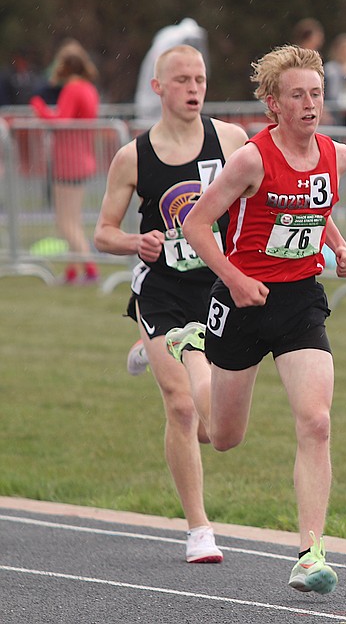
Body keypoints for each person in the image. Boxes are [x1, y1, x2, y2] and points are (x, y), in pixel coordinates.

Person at [177, 44, 346, 595]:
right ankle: (191, 352)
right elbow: (197, 225)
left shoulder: (338, 155)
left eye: (316, 94)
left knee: (317, 421)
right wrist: (233, 278)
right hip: (240, 300)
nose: (309, 104)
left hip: (300, 299)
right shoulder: (252, 159)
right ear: (273, 104)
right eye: (297, 95)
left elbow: (313, 208)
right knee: (222, 436)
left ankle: (310, 554)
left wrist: (341, 247)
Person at [93, 45, 249, 564]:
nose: (193, 88)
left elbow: (262, 196)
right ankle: (199, 529)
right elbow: (102, 233)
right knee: (181, 406)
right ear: (158, 88)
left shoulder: (230, 139)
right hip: (160, 290)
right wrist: (135, 243)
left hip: (215, 286)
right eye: (181, 79)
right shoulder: (133, 156)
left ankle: (145, 347)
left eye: (200, 78)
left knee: (214, 428)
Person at [30, 41, 101, 284]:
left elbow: (61, 120)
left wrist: (39, 108)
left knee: (65, 221)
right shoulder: (89, 88)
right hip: (82, 158)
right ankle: (73, 270)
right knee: (73, 219)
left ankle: (90, 269)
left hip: (69, 161)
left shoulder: (73, 88)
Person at [134, 18, 209, 124]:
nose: (193, 88)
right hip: (152, 111)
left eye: (199, 80)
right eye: (182, 80)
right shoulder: (167, 45)